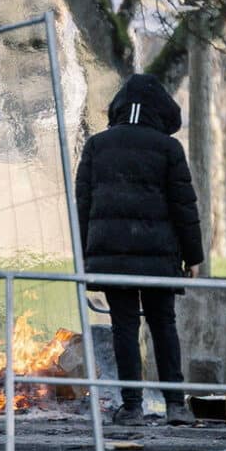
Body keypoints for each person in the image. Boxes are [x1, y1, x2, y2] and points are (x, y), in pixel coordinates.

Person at [76, 74, 202, 426]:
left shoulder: (97, 146)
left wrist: (82, 256)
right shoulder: (168, 149)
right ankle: (175, 405)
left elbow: (82, 205)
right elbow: (184, 207)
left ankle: (131, 406)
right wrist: (194, 256)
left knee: (124, 327)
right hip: (159, 258)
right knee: (163, 324)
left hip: (112, 256)